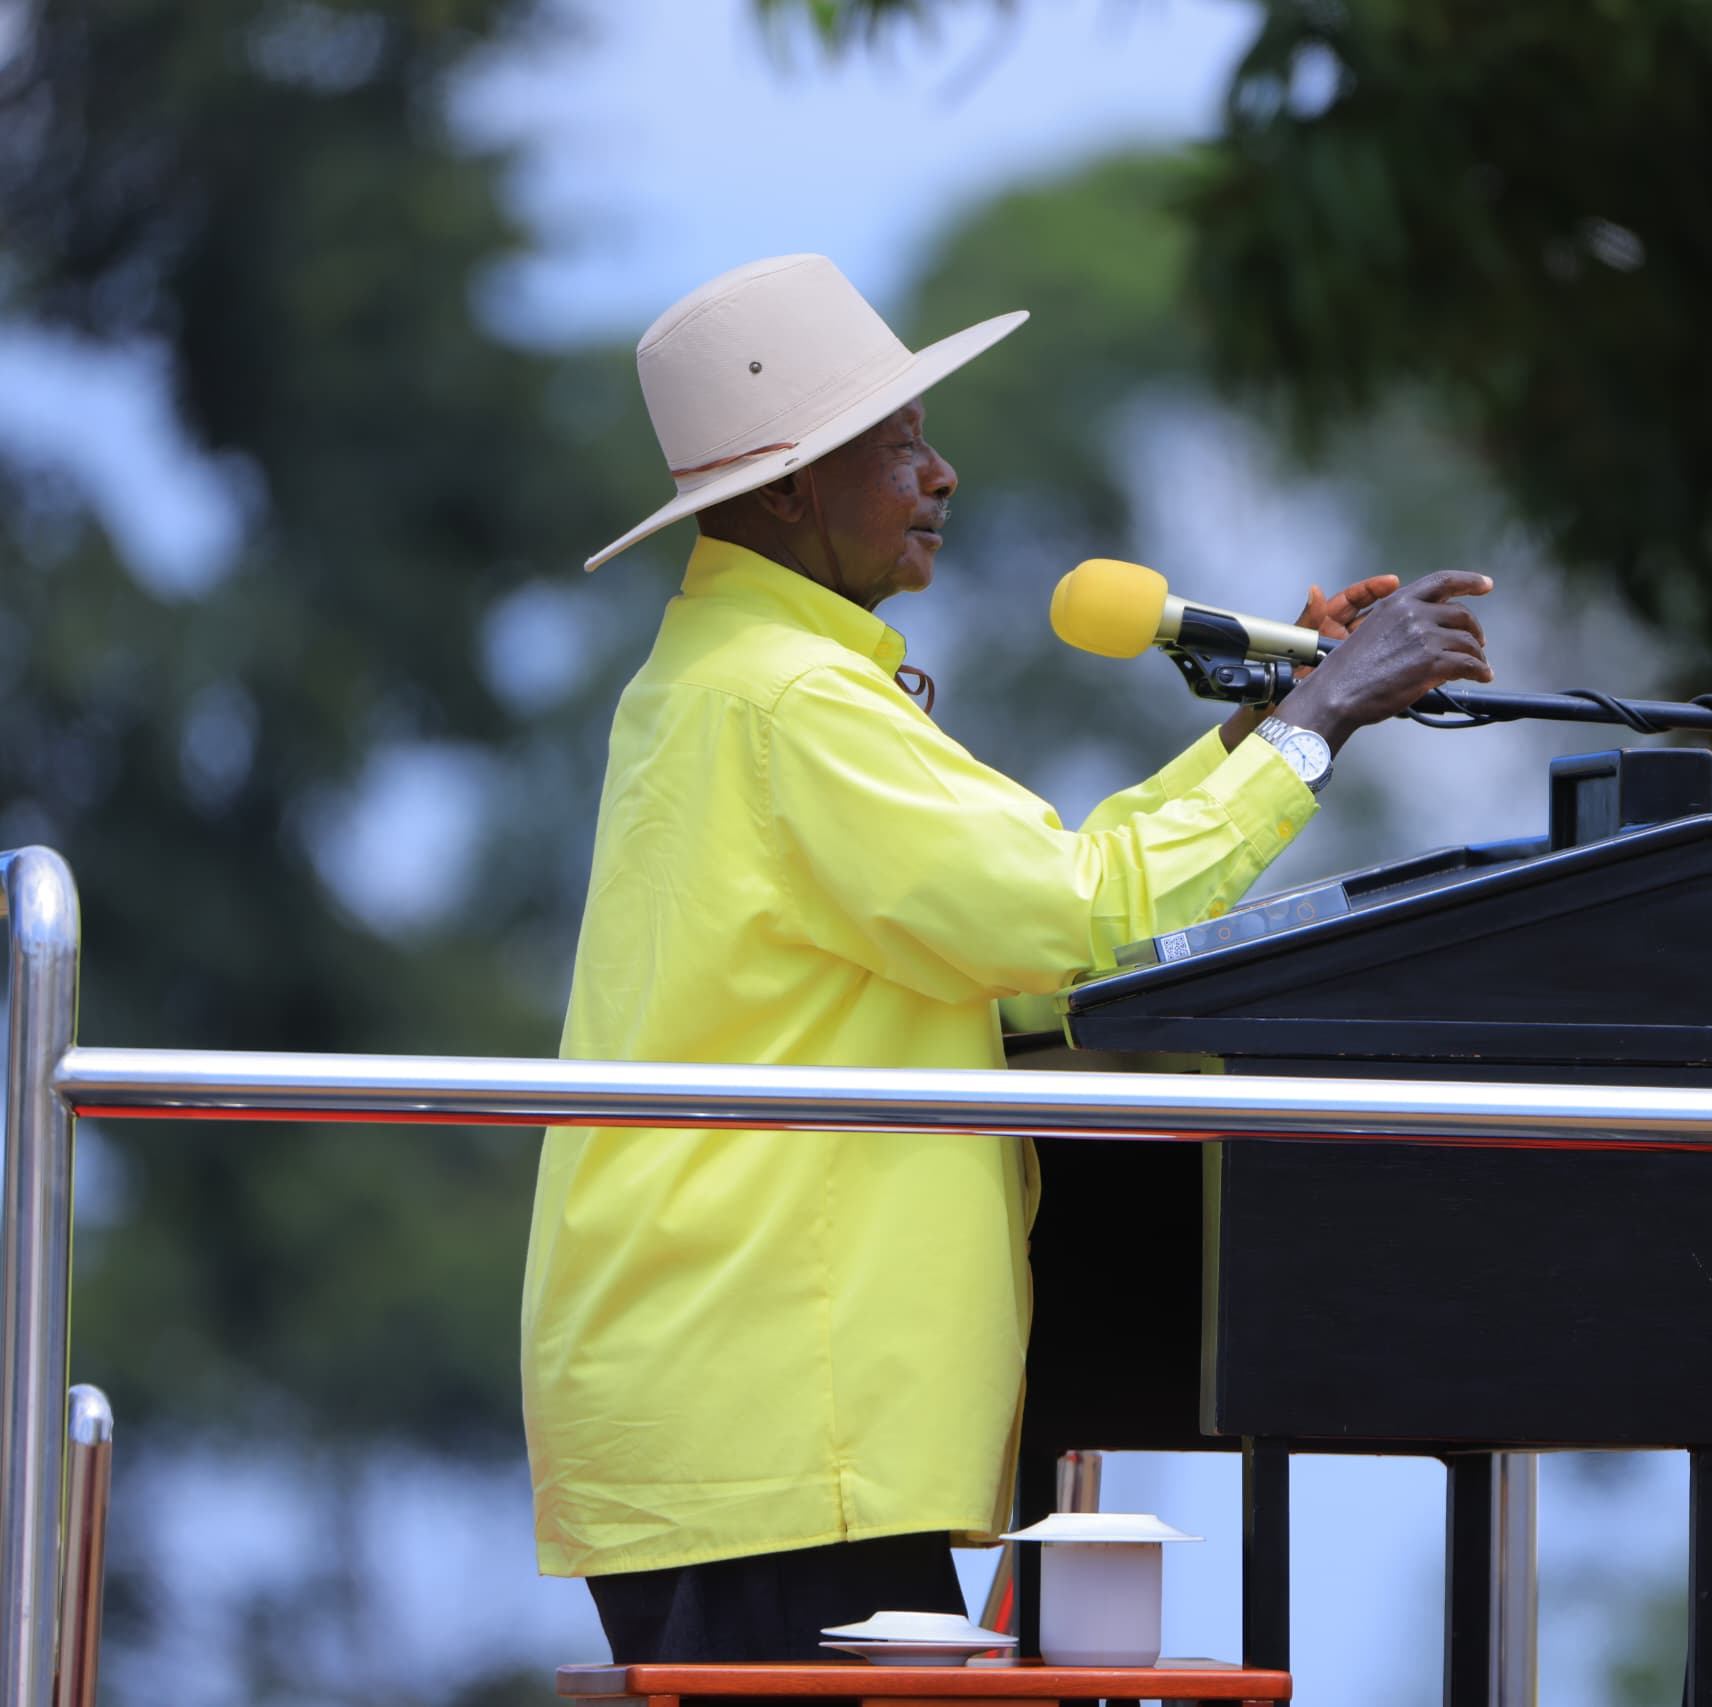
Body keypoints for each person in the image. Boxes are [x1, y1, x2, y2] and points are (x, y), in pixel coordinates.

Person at [519, 254, 1495, 1664]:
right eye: (899, 441)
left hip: (758, 1409)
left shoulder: (742, 677)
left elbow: (1033, 939)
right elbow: (1073, 917)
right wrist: (1317, 723)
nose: (941, 473)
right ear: (790, 488)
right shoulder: (791, 698)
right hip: (778, 1415)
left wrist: (1273, 723)